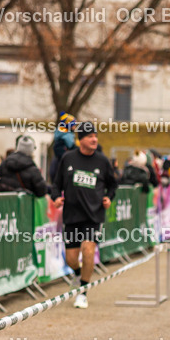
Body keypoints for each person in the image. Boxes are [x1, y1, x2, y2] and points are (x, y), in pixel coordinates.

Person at [52, 121, 117, 309]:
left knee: (88, 250)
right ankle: (78, 273)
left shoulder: (102, 161)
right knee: (71, 259)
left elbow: (113, 184)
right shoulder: (68, 158)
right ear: (80, 140)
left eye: (95, 136)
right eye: (90, 137)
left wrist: (109, 197)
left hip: (93, 215)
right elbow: (56, 184)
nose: (94, 139)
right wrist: (56, 198)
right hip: (72, 215)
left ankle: (83, 292)